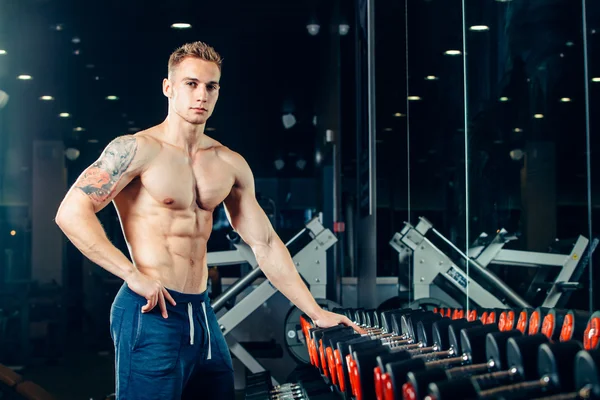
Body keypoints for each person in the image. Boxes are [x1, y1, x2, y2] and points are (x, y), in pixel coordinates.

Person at [55, 41, 362, 400]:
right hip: (151, 313)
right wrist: (131, 275)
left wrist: (314, 311)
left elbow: (264, 243)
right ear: (168, 88)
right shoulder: (137, 149)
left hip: (201, 313)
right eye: (190, 83)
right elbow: (71, 213)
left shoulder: (228, 162)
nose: (201, 95)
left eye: (210, 86)